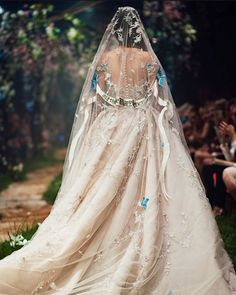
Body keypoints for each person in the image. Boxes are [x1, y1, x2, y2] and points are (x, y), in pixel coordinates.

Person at [0, 6, 236, 295]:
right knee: (146, 183)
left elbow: (95, 99)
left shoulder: (103, 59)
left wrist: (103, 127)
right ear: (139, 32)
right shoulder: (149, 59)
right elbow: (160, 100)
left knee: (102, 186)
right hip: (143, 125)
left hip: (110, 127)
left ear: (112, 29)